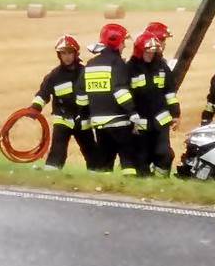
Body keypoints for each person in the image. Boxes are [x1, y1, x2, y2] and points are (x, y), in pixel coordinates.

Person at [76, 23, 141, 175]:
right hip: (119, 121)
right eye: (123, 42)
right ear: (117, 42)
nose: (124, 46)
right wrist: (132, 111)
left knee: (105, 162)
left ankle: (105, 190)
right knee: (128, 159)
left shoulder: (90, 64)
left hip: (98, 123)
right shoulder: (117, 63)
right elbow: (120, 91)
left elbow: (81, 94)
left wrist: (85, 115)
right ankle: (128, 190)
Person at [30, 35, 97, 170]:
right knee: (57, 150)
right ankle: (51, 175)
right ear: (59, 55)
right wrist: (35, 107)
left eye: (69, 53)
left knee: (91, 153)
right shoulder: (54, 76)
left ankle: (95, 176)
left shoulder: (85, 73)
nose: (66, 57)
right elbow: (43, 93)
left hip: (83, 120)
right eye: (63, 53)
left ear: (75, 53)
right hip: (62, 119)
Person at [128, 31, 180, 176]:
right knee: (141, 157)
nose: (150, 55)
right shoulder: (130, 68)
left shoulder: (162, 67)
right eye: (147, 52)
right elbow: (127, 96)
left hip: (160, 121)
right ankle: (145, 183)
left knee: (164, 154)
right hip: (140, 123)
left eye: (153, 52)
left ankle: (161, 182)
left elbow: (170, 92)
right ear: (139, 51)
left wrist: (175, 114)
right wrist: (131, 116)